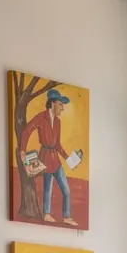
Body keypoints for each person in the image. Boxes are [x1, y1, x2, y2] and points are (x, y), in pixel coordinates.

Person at [19, 88, 80, 227]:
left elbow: (57, 144)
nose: (62, 108)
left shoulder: (58, 122)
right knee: (47, 189)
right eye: (60, 104)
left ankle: (66, 216)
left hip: (55, 160)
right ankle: (46, 214)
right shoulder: (41, 117)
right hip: (45, 158)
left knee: (66, 190)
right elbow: (27, 131)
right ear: (52, 103)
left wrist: (68, 159)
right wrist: (22, 151)